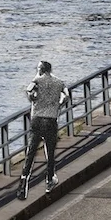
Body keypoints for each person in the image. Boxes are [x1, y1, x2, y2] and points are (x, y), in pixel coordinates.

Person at [18, 60, 69, 199]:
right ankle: (49, 181)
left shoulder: (37, 80)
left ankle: (23, 183)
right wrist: (58, 105)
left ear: (41, 69)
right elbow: (66, 96)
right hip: (51, 120)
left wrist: (33, 98)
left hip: (37, 119)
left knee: (31, 152)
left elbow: (29, 90)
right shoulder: (59, 82)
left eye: (38, 68)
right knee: (50, 152)